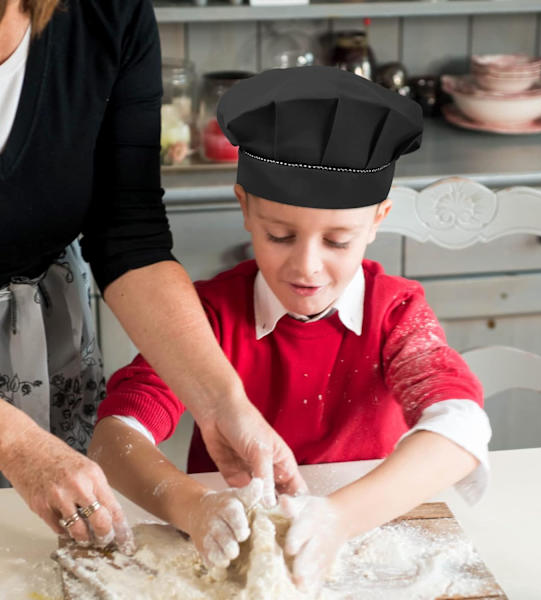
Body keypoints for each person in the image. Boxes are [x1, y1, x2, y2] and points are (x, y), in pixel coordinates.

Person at [89, 64, 492, 591]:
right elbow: (115, 437)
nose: (306, 267)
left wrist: (338, 519)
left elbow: (461, 425)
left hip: (372, 545)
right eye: (280, 235)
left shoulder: (396, 316)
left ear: (378, 220)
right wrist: (193, 509)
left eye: (337, 241)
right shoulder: (204, 318)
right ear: (246, 208)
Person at [0, 0, 305, 552]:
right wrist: (16, 443)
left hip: (39, 328)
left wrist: (220, 402)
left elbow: (128, 232)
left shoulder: (102, 13)